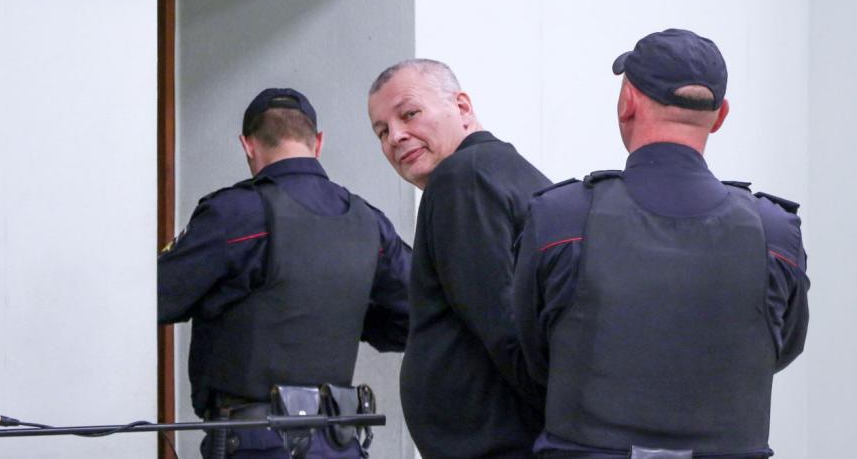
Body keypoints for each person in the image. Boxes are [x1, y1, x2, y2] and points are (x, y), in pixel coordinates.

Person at [513, 29, 810, 459]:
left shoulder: (560, 218)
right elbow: (782, 346)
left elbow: (535, 353)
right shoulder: (775, 232)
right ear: (721, 114)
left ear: (627, 101)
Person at [158, 88, 411, 459]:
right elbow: (415, 314)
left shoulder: (233, 215)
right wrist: (343, 312)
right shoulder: (369, 222)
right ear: (318, 142)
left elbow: (158, 297)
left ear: (247, 144)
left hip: (255, 441)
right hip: (339, 440)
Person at [367, 59, 551, 458]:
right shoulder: (519, 175)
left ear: (463, 107)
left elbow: (505, 325)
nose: (395, 137)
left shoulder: (460, 178)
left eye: (409, 114)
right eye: (381, 131)